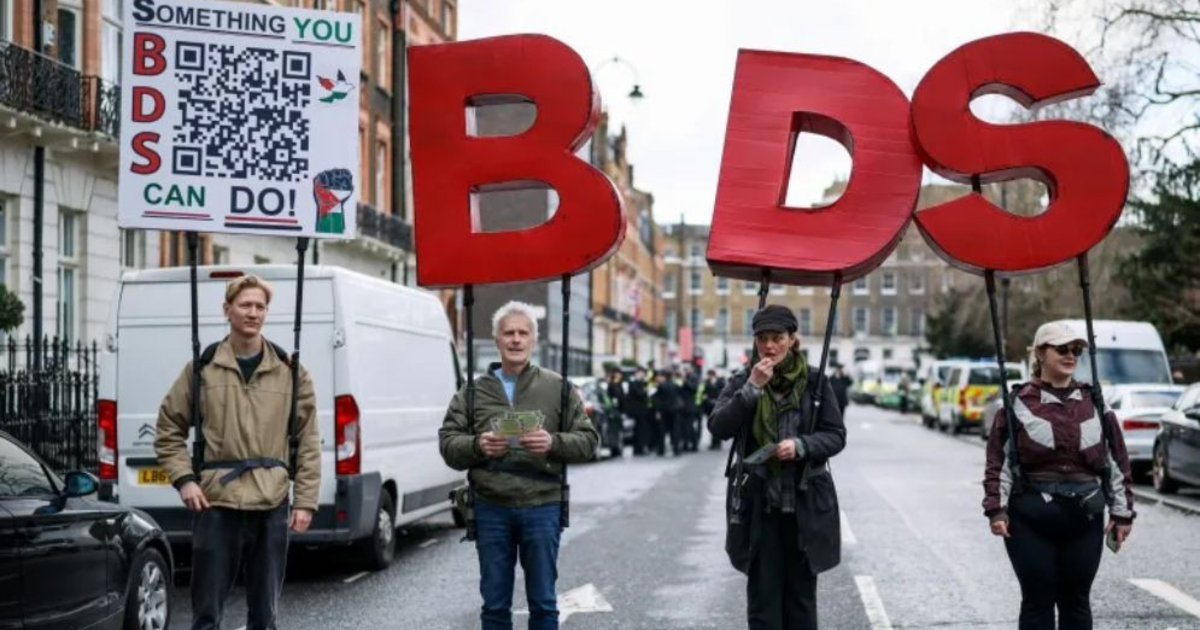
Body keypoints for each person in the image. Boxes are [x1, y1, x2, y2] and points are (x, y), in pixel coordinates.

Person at [155, 275, 320, 630]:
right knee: (207, 614)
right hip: (216, 502)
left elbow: (308, 439)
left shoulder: (290, 372)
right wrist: (185, 481)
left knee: (265, 615)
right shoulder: (202, 368)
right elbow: (169, 428)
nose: (253, 313)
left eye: (260, 306)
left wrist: (305, 500)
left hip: (271, 500)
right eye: (245, 305)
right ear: (227, 310)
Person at [439, 301, 600, 630]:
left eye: (522, 333)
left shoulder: (558, 387)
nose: (515, 339)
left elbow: (589, 442)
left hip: (542, 503)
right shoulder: (472, 393)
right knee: (495, 605)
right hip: (490, 505)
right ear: (497, 341)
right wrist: (477, 444)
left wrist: (553, 443)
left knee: (543, 603)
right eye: (508, 333)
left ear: (533, 341)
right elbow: (448, 445)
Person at [983, 321, 1136, 630]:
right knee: (1037, 600)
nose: (1071, 355)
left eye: (1076, 350)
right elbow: (997, 463)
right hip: (1029, 518)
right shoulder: (1016, 405)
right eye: (1062, 349)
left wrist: (1123, 513)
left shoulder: (1096, 403)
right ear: (1040, 353)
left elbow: (1117, 461)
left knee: (1076, 600)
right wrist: (996, 509)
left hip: (1085, 517)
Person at [709, 304, 846, 630]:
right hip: (759, 505)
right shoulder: (743, 380)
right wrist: (752, 389)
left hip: (804, 502)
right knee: (763, 601)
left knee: (801, 600)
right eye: (762, 339)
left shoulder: (815, 382)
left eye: (777, 338)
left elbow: (835, 436)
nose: (769, 346)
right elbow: (718, 427)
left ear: (792, 340)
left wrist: (801, 446)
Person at [653, 369, 685, 455]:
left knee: (662, 431)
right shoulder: (676, 385)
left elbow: (657, 400)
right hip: (675, 411)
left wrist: (658, 411)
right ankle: (676, 449)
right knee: (675, 430)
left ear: (664, 376)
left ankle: (661, 450)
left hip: (664, 411)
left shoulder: (661, 386)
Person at [626, 367, 653, 456]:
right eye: (641, 373)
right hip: (637, 411)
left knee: (641, 429)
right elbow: (639, 393)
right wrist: (646, 391)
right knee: (638, 430)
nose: (642, 375)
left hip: (642, 410)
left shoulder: (641, 382)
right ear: (637, 373)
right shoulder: (633, 383)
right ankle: (638, 448)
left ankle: (640, 447)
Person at [701, 369, 726, 450]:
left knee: (718, 424)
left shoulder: (720, 382)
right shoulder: (706, 383)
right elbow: (703, 393)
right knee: (711, 425)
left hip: (718, 406)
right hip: (709, 407)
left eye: (711, 375)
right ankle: (713, 443)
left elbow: (723, 393)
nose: (710, 377)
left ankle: (718, 443)